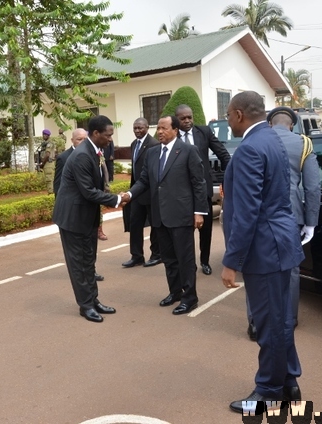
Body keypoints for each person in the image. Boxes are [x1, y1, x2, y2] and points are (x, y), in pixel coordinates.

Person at [221, 91, 305, 415]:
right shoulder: (274, 140)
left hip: (265, 250)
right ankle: (289, 381)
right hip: (281, 243)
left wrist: (231, 262)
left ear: (240, 114)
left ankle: (268, 392)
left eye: (228, 115)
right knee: (281, 320)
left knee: (270, 324)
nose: (227, 121)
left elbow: (246, 213)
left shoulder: (249, 150)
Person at [245, 107, 321, 340]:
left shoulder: (255, 140)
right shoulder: (303, 144)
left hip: (258, 214)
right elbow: (312, 187)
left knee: (256, 267)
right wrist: (310, 222)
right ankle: (289, 320)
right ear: (292, 125)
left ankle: (256, 323)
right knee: (290, 269)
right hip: (291, 215)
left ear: (270, 123)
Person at [128, 115, 207, 315]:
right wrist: (129, 194)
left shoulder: (188, 151)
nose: (160, 132)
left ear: (175, 130)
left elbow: (199, 183)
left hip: (181, 215)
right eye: (158, 129)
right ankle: (175, 292)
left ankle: (190, 298)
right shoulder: (152, 153)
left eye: (164, 128)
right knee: (169, 259)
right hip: (160, 216)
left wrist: (199, 212)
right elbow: (144, 180)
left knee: (185, 259)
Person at [52, 116, 126, 323]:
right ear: (96, 134)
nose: (111, 138)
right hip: (73, 219)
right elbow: (88, 192)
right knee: (79, 265)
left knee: (89, 261)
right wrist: (117, 199)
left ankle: (94, 300)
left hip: (86, 217)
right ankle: (85, 306)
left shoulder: (94, 151)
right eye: (108, 134)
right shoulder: (83, 155)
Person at [175, 104, 231, 275]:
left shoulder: (204, 132)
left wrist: (227, 180)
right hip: (181, 193)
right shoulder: (172, 135)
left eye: (189, 117)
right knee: (185, 232)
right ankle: (188, 264)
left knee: (205, 230)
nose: (187, 121)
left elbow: (223, 154)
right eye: (183, 118)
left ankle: (204, 261)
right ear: (176, 119)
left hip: (202, 190)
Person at [54, 128, 105, 282]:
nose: (83, 142)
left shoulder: (94, 154)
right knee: (79, 253)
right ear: (72, 141)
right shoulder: (64, 157)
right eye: (79, 139)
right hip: (74, 212)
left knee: (91, 246)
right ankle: (84, 278)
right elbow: (59, 186)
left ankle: (91, 271)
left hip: (90, 207)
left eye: (85, 138)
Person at [122, 117, 161, 268]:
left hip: (150, 193)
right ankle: (136, 256)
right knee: (135, 225)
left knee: (154, 226)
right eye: (135, 128)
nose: (137, 131)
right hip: (136, 193)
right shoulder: (133, 144)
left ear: (147, 128)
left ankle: (156, 255)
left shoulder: (154, 145)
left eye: (140, 128)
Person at [39, 129, 56, 194]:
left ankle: (51, 193)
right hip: (47, 163)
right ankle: (50, 192)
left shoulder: (49, 143)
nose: (44, 136)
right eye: (43, 134)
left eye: (45, 135)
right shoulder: (45, 143)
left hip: (48, 163)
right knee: (48, 179)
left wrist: (42, 163)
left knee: (49, 179)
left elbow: (47, 154)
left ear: (48, 135)